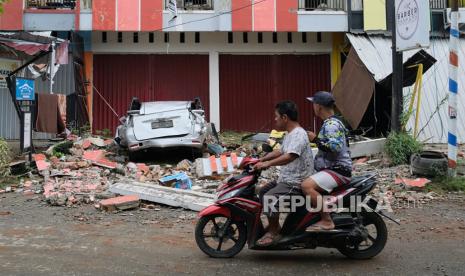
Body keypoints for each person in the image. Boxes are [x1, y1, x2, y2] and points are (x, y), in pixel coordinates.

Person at [253, 101, 314, 246]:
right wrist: (261, 159)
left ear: (285, 117)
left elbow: (290, 156)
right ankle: (276, 226)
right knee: (263, 192)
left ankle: (273, 232)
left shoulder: (299, 134)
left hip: (296, 182)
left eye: (276, 116)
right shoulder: (290, 134)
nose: (275, 119)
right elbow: (280, 151)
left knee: (269, 198)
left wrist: (267, 164)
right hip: (286, 178)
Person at [302, 91, 352, 231]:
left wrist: (315, 139)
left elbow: (334, 147)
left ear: (319, 107)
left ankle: (326, 220)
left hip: (337, 171)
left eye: (313, 104)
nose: (313, 107)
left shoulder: (331, 125)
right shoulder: (332, 122)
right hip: (332, 169)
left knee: (306, 186)